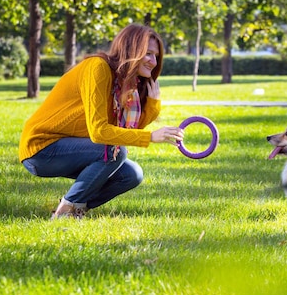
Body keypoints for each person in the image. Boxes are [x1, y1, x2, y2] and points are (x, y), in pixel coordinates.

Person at [19, 24, 184, 219]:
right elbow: (100, 132)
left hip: (69, 150)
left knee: (132, 174)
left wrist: (153, 105)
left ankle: (74, 205)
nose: (153, 62)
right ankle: (66, 210)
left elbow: (126, 132)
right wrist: (150, 137)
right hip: (41, 149)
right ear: (131, 49)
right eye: (148, 53)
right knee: (115, 151)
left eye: (156, 55)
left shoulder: (124, 83)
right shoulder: (98, 68)